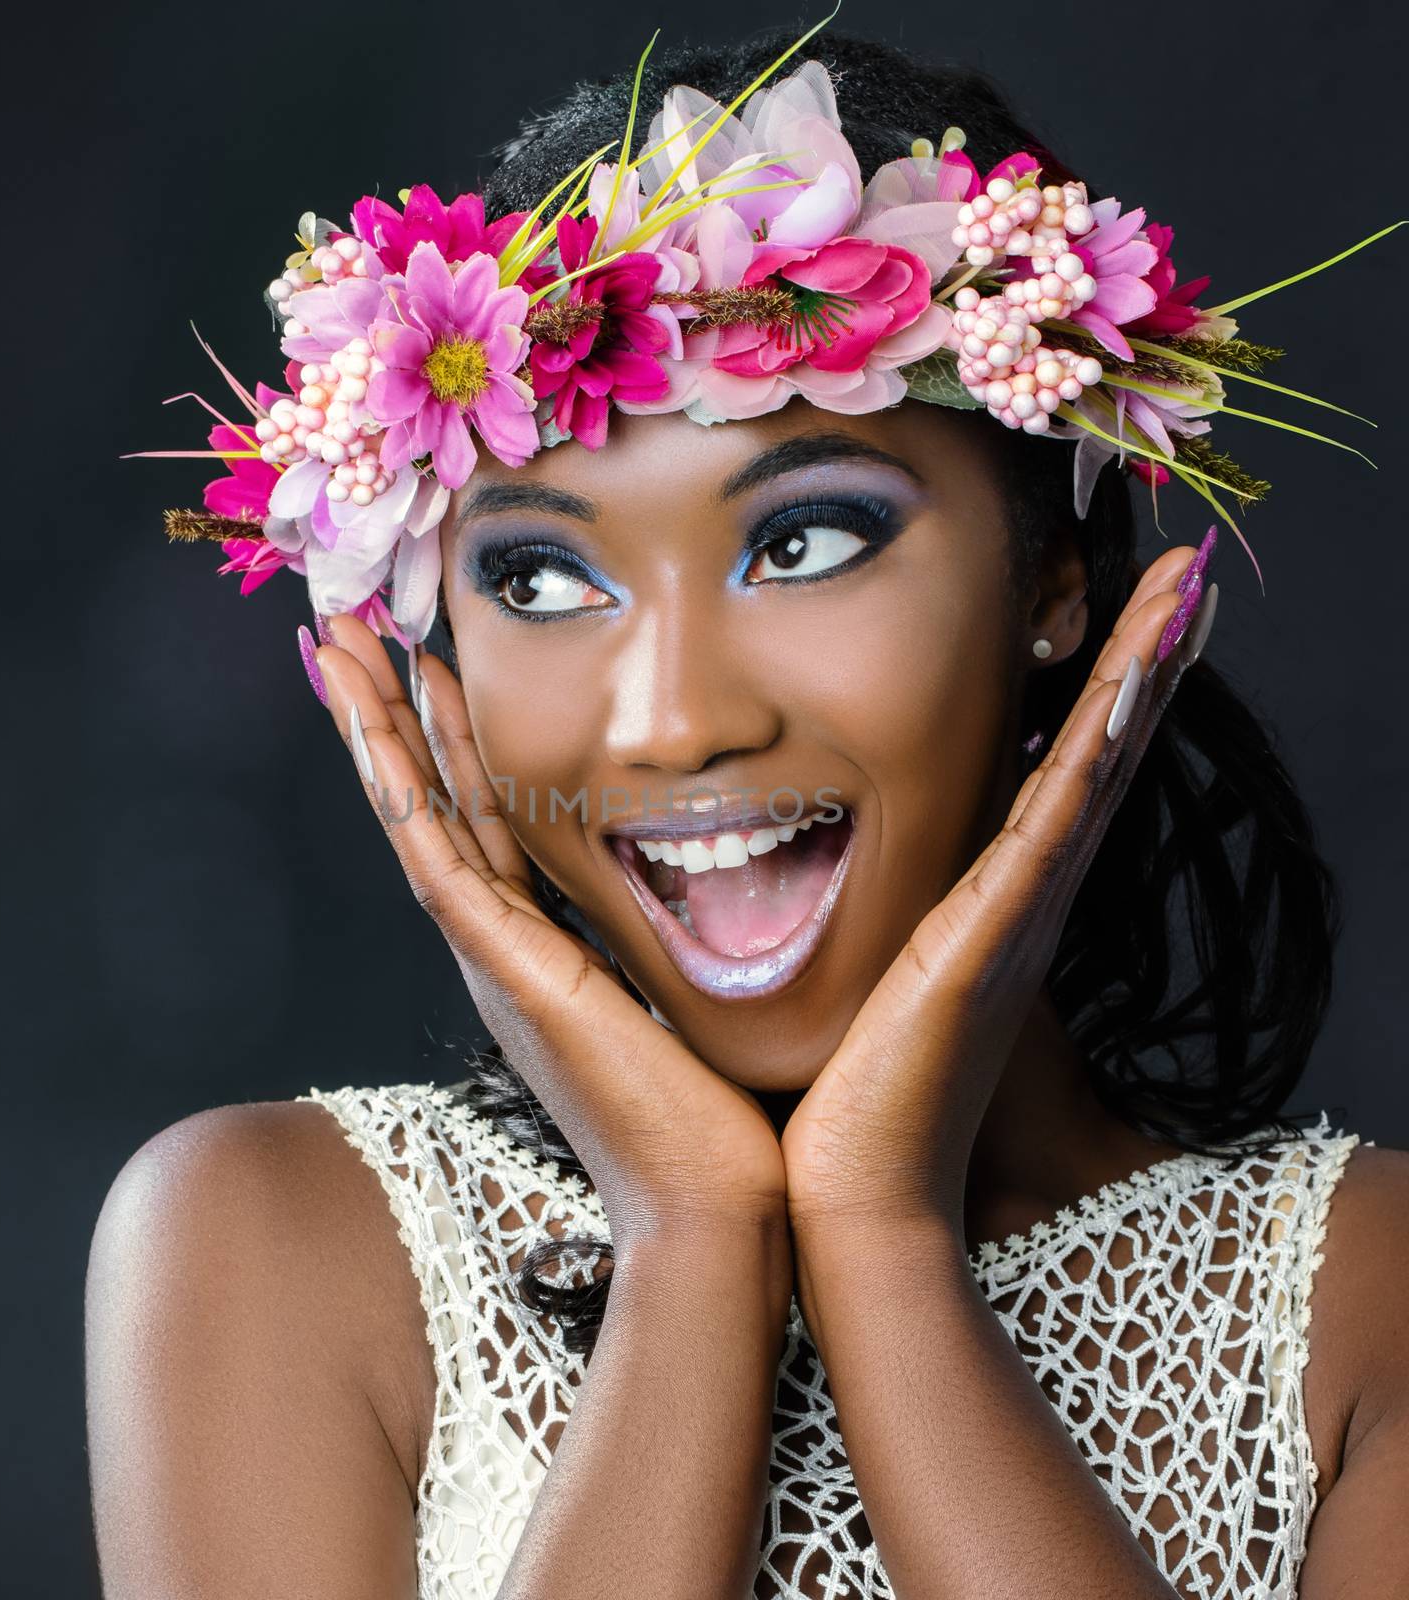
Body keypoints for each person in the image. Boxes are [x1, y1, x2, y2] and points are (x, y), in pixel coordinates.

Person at [85, 25, 1409, 1599]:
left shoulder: (1364, 1297)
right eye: (540, 575)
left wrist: (880, 1236)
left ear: (1057, 579)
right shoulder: (267, 1249)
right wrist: (692, 1244)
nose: (672, 719)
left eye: (804, 543)